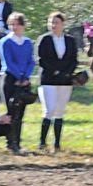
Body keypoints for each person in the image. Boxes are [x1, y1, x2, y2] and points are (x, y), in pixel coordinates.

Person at [36, 11, 79, 151]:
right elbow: (41, 59)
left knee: (60, 111)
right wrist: (55, 71)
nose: (53, 25)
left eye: (56, 22)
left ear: (63, 24)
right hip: (48, 79)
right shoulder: (44, 39)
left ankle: (57, 143)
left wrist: (66, 73)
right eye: (51, 22)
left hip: (65, 81)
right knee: (49, 110)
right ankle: (42, 142)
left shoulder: (70, 40)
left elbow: (73, 59)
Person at [0, 12, 37, 153]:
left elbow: (31, 62)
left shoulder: (27, 42)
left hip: (24, 79)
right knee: (11, 111)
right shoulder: (5, 41)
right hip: (9, 78)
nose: (14, 27)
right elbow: (8, 62)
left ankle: (17, 142)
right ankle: (10, 142)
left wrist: (25, 77)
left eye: (17, 24)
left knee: (21, 112)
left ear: (22, 25)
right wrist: (19, 76)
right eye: (11, 24)